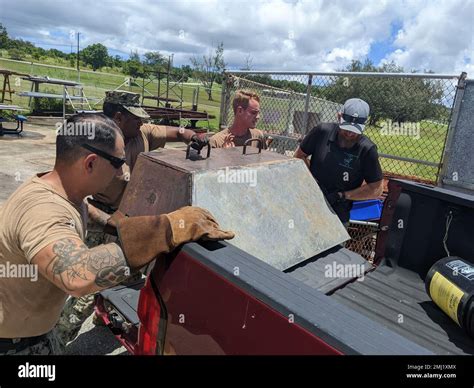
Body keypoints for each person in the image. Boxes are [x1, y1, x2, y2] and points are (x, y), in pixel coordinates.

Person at [0, 113, 233, 355]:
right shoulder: (43, 210)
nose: (122, 169)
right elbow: (76, 276)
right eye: (117, 162)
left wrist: (118, 227)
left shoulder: (63, 189)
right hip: (14, 345)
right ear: (90, 163)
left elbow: (84, 211)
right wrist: (166, 229)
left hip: (34, 333)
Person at [294, 98, 383, 225]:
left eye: (355, 130)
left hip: (338, 214)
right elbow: (299, 156)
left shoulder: (367, 149)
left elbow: (376, 189)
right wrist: (313, 182)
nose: (350, 134)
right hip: (308, 202)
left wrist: (342, 195)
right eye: (346, 128)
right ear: (339, 117)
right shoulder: (322, 132)